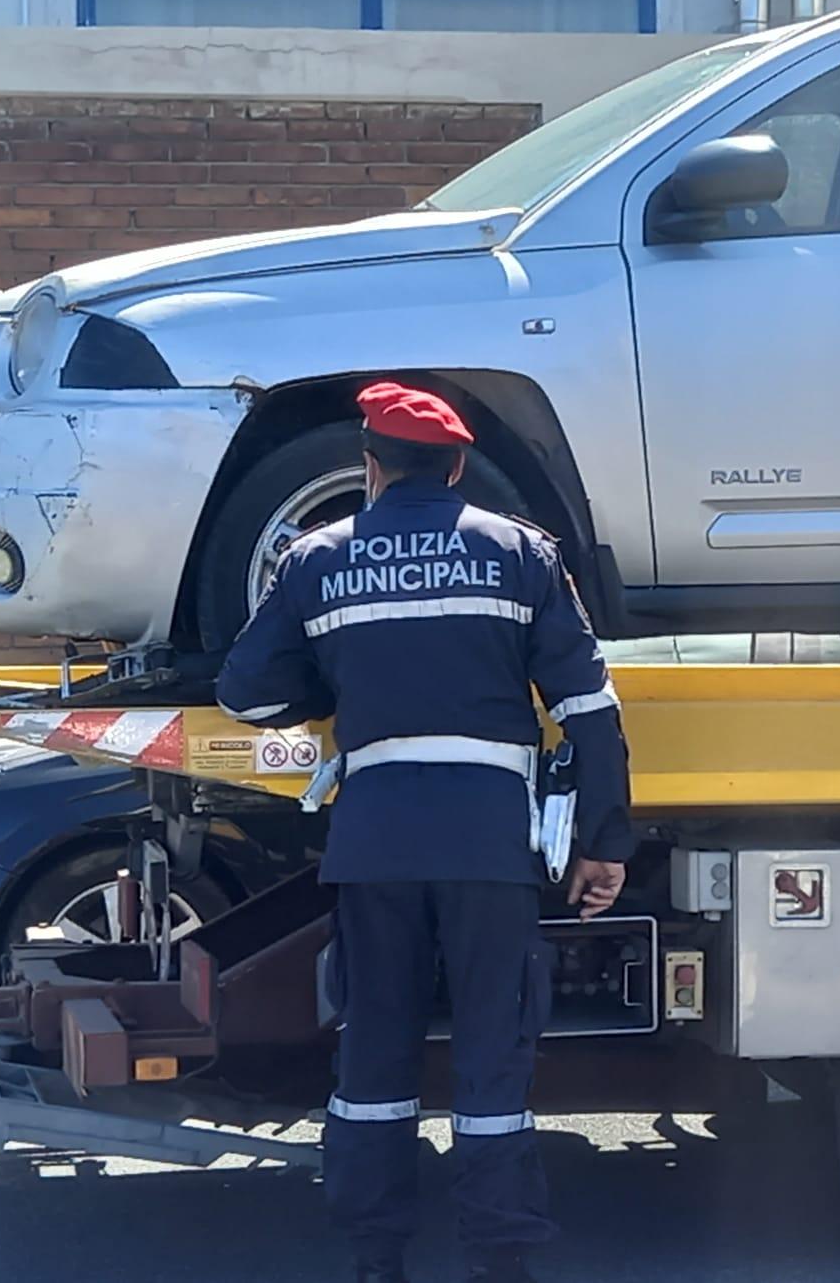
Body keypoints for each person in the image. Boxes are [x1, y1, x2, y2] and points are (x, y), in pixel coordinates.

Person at [217, 381, 634, 1283]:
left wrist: (334, 688)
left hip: (374, 843)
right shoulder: (521, 553)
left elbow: (243, 694)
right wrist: (605, 841)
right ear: (456, 466)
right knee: (493, 1057)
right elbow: (590, 712)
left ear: (370, 466)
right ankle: (500, 1256)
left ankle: (376, 1255)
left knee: (375, 1050)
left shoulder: (316, 562)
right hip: (487, 844)